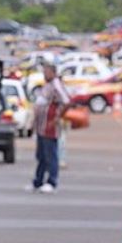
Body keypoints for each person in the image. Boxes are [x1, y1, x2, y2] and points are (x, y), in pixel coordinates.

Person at [28, 61, 71, 193]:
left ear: (53, 72)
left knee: (51, 154)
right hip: (41, 126)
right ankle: (38, 181)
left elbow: (66, 102)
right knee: (41, 155)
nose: (44, 74)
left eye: (46, 72)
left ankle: (52, 181)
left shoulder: (56, 85)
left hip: (50, 126)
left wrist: (57, 118)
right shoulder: (46, 86)